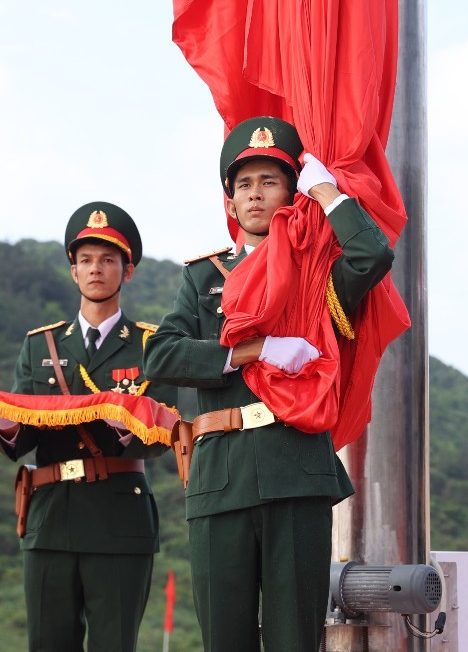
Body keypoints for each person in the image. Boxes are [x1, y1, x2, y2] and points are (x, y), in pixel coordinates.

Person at [144, 116, 395, 651]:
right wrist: (249, 351)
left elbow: (372, 257)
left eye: (270, 181)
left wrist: (328, 194)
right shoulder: (203, 277)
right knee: (225, 639)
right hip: (220, 475)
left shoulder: (316, 274)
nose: (255, 194)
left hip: (295, 468)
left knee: (294, 639)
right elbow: (161, 356)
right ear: (230, 202)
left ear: (291, 193)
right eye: (244, 185)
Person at [0, 202, 177, 651]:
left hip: (119, 518)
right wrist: (7, 428)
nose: (97, 270)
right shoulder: (41, 346)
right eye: (86, 260)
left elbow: (165, 432)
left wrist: (130, 427)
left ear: (127, 271)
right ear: (73, 271)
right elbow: (22, 442)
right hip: (50, 516)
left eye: (108, 260)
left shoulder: (152, 345)